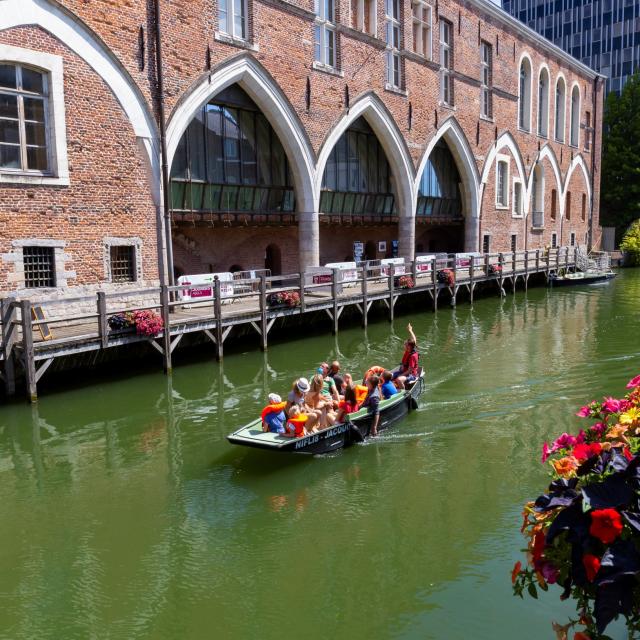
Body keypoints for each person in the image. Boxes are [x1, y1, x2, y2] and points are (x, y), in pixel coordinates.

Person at [393, 323, 419, 390]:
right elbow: (414, 339)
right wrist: (410, 330)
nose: (404, 345)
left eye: (405, 344)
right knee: (388, 375)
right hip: (403, 371)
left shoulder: (412, 356)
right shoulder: (409, 350)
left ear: (409, 346)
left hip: (411, 375)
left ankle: (403, 393)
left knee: (399, 379)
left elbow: (410, 371)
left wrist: (400, 375)